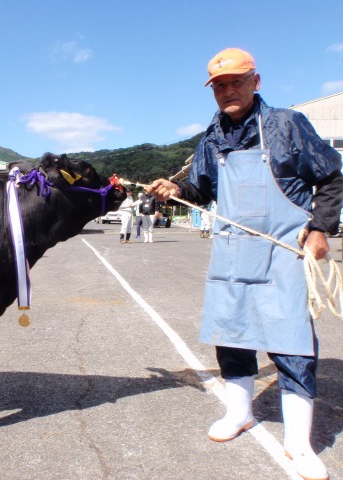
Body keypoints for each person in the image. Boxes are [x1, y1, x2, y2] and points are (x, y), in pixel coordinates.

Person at [147, 48, 342, 480]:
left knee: (291, 343)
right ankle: (239, 414)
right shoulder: (212, 137)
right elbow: (199, 190)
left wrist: (320, 227)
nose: (228, 90)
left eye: (237, 81)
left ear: (256, 81)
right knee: (232, 335)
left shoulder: (286, 124)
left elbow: (330, 175)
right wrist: (173, 187)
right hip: (232, 252)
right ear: (212, 90)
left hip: (282, 251)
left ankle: (298, 443)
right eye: (220, 85)